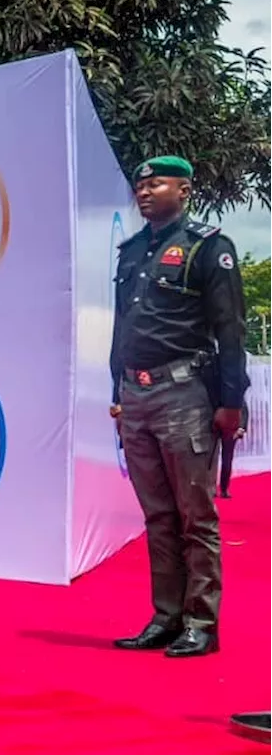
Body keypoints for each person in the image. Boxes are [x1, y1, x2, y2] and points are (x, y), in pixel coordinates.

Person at [109, 155, 245, 659]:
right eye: (140, 184)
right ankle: (166, 616)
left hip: (184, 391)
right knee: (157, 515)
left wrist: (232, 401)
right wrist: (115, 391)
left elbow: (231, 329)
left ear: (184, 190)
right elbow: (124, 328)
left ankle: (201, 623)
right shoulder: (131, 252)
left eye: (157, 183)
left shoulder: (209, 247)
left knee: (196, 515)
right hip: (136, 393)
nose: (145, 191)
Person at [217, 401, 248, 498]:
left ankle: (223, 489)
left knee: (226, 459)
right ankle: (217, 488)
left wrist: (241, 428)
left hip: (230, 429)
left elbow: (244, 410)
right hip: (218, 428)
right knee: (213, 460)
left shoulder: (230, 390)